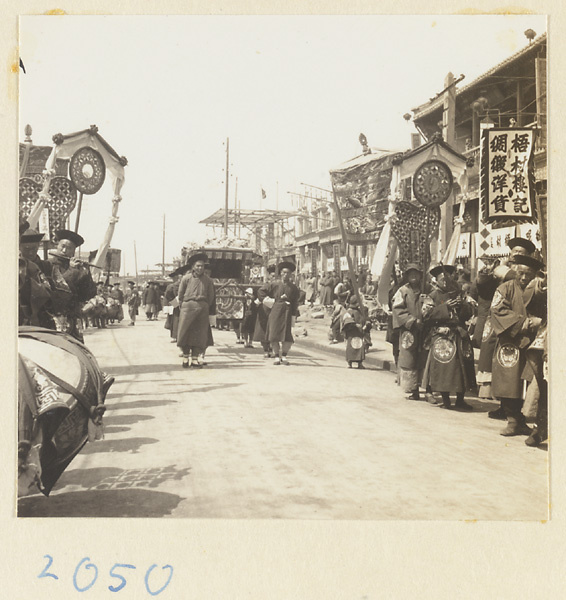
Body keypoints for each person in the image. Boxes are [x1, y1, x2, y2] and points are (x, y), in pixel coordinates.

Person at [476, 237, 536, 419]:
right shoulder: (501, 270)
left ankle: (515, 410)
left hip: (522, 326)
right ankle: (506, 407)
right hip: (501, 324)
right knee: (502, 367)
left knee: (518, 370)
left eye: (522, 253)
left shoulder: (529, 277)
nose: (517, 255)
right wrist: (487, 273)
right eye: (514, 252)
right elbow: (483, 289)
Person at [491, 253, 546, 436]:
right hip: (510, 341)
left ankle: (527, 419)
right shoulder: (504, 288)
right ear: (515, 271)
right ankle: (513, 420)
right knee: (509, 382)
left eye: (528, 274)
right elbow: (497, 310)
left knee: (533, 381)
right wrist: (525, 324)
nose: (523, 278)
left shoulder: (537, 290)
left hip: (533, 342)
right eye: (520, 273)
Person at [422, 264, 476, 410]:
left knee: (462, 367)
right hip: (442, 334)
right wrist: (445, 307)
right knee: (444, 368)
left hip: (459, 333)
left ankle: (460, 400)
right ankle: (446, 400)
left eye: (448, 280)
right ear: (437, 281)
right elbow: (426, 315)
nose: (445, 283)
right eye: (442, 280)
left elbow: (471, 311)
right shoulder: (432, 296)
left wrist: (461, 305)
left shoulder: (461, 293)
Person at [47, 229, 97, 343]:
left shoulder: (77, 266)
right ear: (57, 246)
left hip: (74, 318)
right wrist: (72, 270)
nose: (64, 250)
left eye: (69, 248)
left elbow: (86, 295)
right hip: (55, 317)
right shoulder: (49, 265)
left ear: (73, 252)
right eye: (62, 246)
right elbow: (59, 287)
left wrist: (86, 274)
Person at [391, 263, 430, 400]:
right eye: (410, 273)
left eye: (416, 273)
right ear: (407, 276)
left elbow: (434, 304)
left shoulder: (427, 288)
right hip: (410, 331)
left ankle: (428, 389)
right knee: (410, 359)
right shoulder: (402, 291)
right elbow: (397, 309)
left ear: (420, 275)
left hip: (426, 330)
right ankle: (414, 390)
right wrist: (412, 320)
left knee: (426, 358)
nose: (413, 276)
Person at [176, 253, 216, 368]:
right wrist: (184, 305)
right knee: (185, 332)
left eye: (202, 266)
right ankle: (185, 357)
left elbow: (211, 296)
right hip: (187, 307)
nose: (200, 268)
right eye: (198, 266)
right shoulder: (186, 278)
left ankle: (194, 358)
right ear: (193, 266)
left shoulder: (208, 280)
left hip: (202, 308)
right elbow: (181, 294)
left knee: (199, 334)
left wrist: (204, 305)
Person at [258, 261, 301, 365]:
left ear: (291, 274)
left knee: (287, 337)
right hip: (276, 311)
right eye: (284, 272)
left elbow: (295, 301)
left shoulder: (293, 287)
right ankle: (276, 356)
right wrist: (271, 302)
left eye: (288, 273)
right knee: (274, 334)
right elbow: (261, 291)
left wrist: (294, 315)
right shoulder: (274, 284)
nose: (286, 275)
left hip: (287, 312)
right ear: (281, 273)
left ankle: (284, 355)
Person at [253, 264, 276, 357]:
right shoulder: (266, 285)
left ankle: (273, 348)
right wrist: (269, 301)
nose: (274, 277)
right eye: (272, 276)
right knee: (263, 329)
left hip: (275, 309)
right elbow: (260, 293)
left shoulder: (280, 285)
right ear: (269, 276)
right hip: (265, 309)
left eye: (276, 276)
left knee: (274, 329)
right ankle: (266, 349)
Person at [341, 295, 370, 369]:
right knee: (351, 347)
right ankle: (349, 362)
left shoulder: (360, 311)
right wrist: (355, 325)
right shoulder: (349, 311)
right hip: (352, 332)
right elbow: (347, 321)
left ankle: (360, 363)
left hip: (359, 332)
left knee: (360, 346)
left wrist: (366, 324)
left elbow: (364, 319)